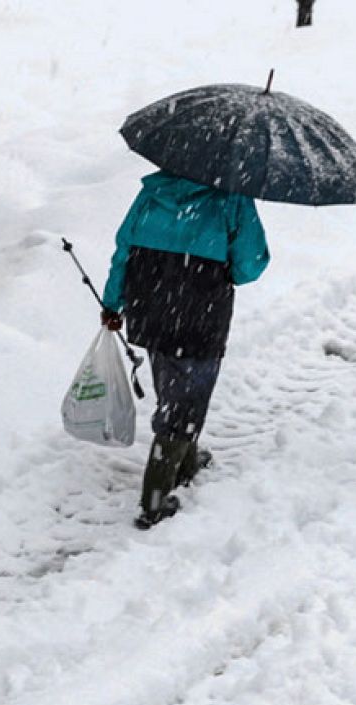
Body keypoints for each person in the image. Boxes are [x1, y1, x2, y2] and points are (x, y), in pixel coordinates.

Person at [101, 170, 271, 529]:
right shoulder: (232, 197)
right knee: (189, 398)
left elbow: (124, 249)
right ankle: (155, 498)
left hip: (151, 306)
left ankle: (187, 461)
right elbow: (249, 266)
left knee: (172, 385)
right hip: (200, 308)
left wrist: (112, 301)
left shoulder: (153, 191)